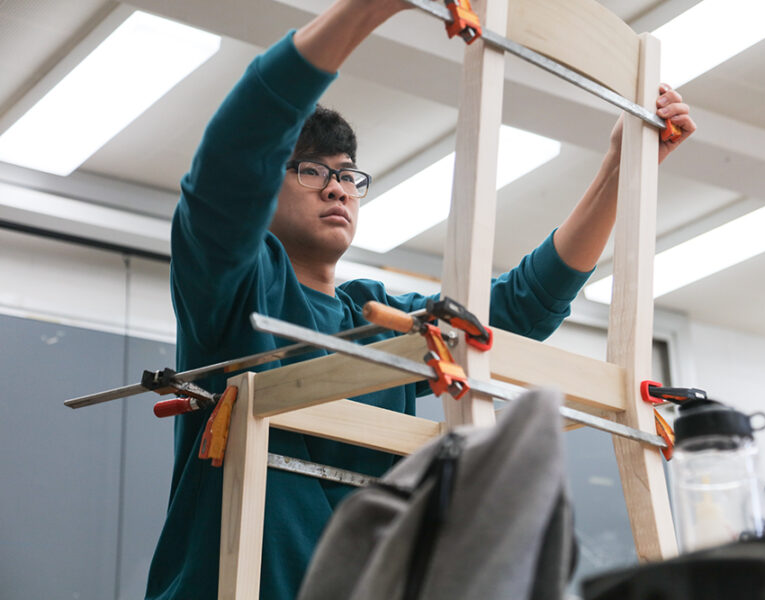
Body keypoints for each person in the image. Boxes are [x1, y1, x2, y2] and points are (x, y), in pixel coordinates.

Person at [144, 1, 696, 598]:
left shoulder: (379, 318)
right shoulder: (233, 290)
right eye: (307, 169)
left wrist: (621, 168)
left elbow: (516, 311)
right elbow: (226, 169)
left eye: (348, 175)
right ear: (264, 185)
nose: (336, 186)